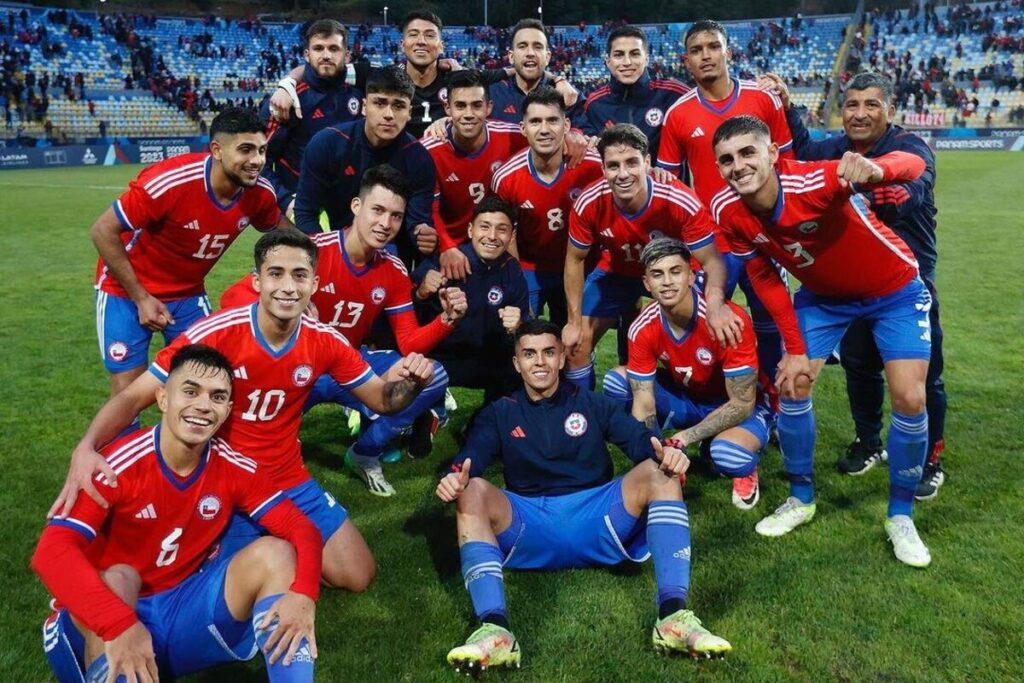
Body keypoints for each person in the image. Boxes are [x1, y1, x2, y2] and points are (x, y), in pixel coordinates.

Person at [50, 228, 437, 590]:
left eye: (300, 275)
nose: (288, 286)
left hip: (288, 477)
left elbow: (383, 401)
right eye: (276, 274)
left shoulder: (326, 341)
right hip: (223, 479)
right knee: (206, 583)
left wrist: (412, 383)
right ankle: (248, 541)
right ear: (257, 281)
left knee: (358, 575)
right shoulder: (216, 333)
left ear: (314, 285)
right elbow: (134, 397)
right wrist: (86, 447)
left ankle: (274, 535)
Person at [436, 320, 731, 672]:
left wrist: (667, 454)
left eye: (548, 352)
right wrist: (454, 479)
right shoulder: (499, 412)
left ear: (562, 357)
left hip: (600, 519)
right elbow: (470, 458)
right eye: (529, 354)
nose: (540, 362)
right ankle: (495, 631)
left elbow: (639, 442)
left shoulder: (592, 403)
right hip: (530, 526)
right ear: (517, 363)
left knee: (661, 472)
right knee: (470, 490)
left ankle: (672, 618)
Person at [710, 115, 933, 567]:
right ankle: (801, 497)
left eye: (748, 152)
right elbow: (765, 278)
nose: (738, 166)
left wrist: (878, 170)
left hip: (894, 290)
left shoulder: (814, 180)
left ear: (773, 153)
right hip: (823, 300)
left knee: (910, 396)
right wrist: (793, 348)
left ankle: (901, 514)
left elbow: (912, 162)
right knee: (792, 384)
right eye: (726, 160)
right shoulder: (729, 211)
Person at [33, 344, 323, 682]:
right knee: (121, 577)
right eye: (190, 391)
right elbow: (50, 553)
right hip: (101, 624)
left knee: (277, 553)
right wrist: (119, 624)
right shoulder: (114, 465)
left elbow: (302, 529)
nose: (203, 405)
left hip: (178, 612)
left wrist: (304, 593)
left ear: (228, 410)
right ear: (162, 398)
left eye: (217, 397)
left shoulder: (234, 467)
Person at [761, 70, 948, 500]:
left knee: (923, 381)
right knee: (860, 365)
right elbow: (805, 152)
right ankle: (869, 442)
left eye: (871, 105)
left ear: (891, 110)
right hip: (849, 285)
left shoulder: (909, 146)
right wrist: (787, 108)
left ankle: (931, 459)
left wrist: (875, 185)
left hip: (907, 280)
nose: (859, 114)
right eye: (852, 105)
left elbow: (911, 190)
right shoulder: (839, 148)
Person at [92, 106, 285, 404]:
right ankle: (122, 449)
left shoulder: (259, 193)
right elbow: (103, 230)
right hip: (124, 291)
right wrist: (141, 298)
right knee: (128, 392)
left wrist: (331, 248)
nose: (257, 160)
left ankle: (193, 447)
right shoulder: (171, 181)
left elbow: (286, 236)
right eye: (246, 150)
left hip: (187, 294)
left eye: (261, 150)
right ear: (217, 150)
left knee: (211, 376)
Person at [656, 19, 794, 385]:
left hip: (764, 236)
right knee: (704, 322)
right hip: (712, 243)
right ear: (686, 60)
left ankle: (773, 404)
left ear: (727, 52)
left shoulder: (762, 99)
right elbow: (670, 185)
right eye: (697, 50)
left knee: (771, 322)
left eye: (713, 47)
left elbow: (790, 166)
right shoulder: (678, 114)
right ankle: (713, 399)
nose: (706, 56)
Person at [562, 123, 737, 391]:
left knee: (702, 343)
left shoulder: (678, 199)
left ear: (647, 162)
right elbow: (574, 260)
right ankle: (583, 419)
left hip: (673, 276)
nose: (623, 174)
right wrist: (574, 323)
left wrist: (714, 305)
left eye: (631, 162)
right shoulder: (589, 202)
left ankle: (706, 406)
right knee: (575, 344)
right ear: (603, 168)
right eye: (613, 165)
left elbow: (712, 261)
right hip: (617, 272)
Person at [603, 238, 771, 510]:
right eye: (657, 274)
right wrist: (655, 452)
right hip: (689, 398)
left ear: (692, 276)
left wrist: (685, 438)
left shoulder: (727, 322)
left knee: (728, 456)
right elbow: (643, 403)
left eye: (675, 271)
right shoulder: (642, 328)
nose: (667, 282)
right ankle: (666, 466)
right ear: (646, 284)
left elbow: (742, 403)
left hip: (737, 406)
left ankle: (746, 464)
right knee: (617, 381)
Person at [293, 66, 437, 267]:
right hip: (336, 255)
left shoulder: (419, 159)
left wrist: (423, 234)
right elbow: (305, 212)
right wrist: (328, 257)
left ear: (409, 112)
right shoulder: (327, 144)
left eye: (398, 106)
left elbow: (417, 224)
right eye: (379, 103)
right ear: (363, 106)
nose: (388, 114)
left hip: (393, 261)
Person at [491, 86, 604, 326]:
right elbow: (505, 231)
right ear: (523, 128)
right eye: (535, 121)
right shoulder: (507, 177)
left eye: (552, 120)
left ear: (567, 125)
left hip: (581, 266)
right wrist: (516, 279)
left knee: (576, 341)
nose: (544, 130)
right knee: (522, 335)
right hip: (529, 268)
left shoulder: (596, 168)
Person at [412, 195, 530, 404]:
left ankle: (487, 422)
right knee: (412, 367)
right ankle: (422, 421)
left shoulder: (512, 270)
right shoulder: (445, 262)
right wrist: (420, 293)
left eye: (501, 229)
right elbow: (404, 317)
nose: (492, 236)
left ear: (511, 236)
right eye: (484, 227)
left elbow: (525, 330)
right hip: (441, 357)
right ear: (470, 230)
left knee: (524, 366)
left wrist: (518, 325)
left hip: (487, 359)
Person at [422, 69, 527, 280]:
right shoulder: (429, 150)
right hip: (451, 248)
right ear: (447, 108)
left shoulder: (513, 137)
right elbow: (429, 209)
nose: (469, 114)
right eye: (460, 106)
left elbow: (549, 138)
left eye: (476, 105)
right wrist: (447, 247)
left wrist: (574, 136)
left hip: (498, 243)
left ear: (489, 108)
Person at [261, 19, 364, 220]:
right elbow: (259, 161)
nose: (326, 55)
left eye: (334, 48)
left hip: (350, 208)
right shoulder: (285, 101)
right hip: (304, 206)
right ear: (307, 55)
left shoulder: (363, 92)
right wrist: (286, 200)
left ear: (347, 55)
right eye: (318, 48)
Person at [579, 25, 690, 159]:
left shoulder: (674, 94)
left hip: (666, 179)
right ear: (608, 61)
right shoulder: (594, 104)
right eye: (619, 55)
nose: (627, 62)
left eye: (635, 54)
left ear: (646, 59)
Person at [487, 19, 581, 124]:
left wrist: (575, 134)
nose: (530, 53)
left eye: (537, 47)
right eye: (522, 46)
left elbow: (585, 131)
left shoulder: (569, 95)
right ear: (511, 57)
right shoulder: (491, 94)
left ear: (547, 57)